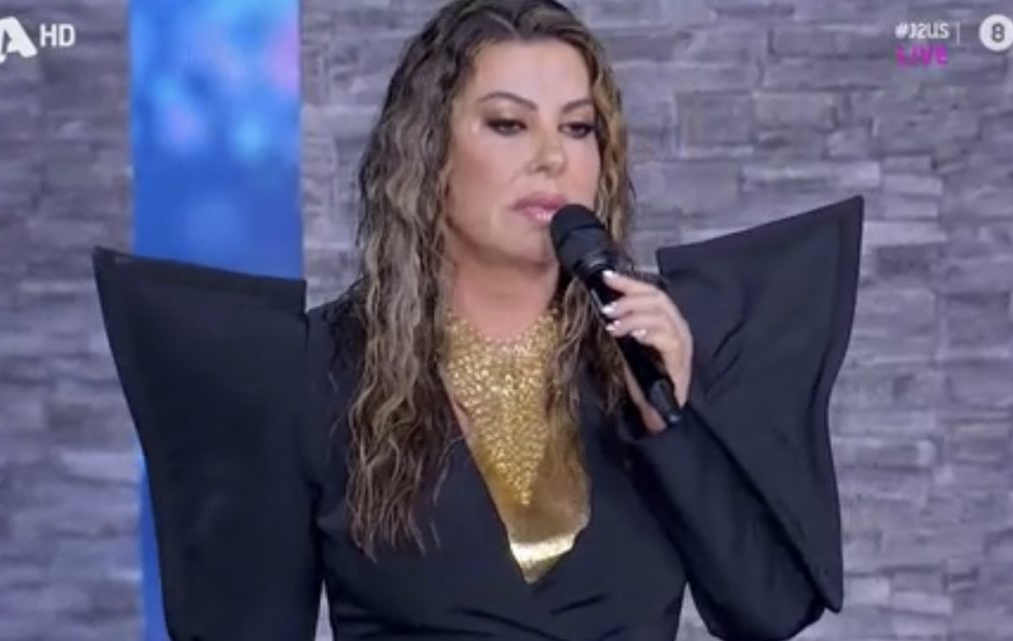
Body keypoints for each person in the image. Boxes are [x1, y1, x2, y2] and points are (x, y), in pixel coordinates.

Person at [92, 0, 864, 639]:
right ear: (428, 153)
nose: (552, 158)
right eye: (507, 124)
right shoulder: (317, 371)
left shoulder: (657, 344)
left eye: (578, 127)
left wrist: (673, 424)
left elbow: (766, 611)